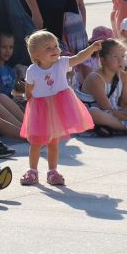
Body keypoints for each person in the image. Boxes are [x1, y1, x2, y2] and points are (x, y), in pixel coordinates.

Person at [18, 31, 100, 186]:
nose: (54, 50)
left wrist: (91, 49)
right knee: (36, 142)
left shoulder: (61, 63)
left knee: (53, 143)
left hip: (58, 107)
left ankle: (52, 171)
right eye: (48, 48)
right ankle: (32, 171)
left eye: (55, 46)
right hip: (41, 108)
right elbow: (29, 89)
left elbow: (78, 58)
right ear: (36, 56)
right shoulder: (32, 70)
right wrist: (30, 101)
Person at [78, 38, 127, 136]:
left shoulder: (123, 75)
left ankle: (109, 128)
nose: (121, 60)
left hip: (114, 113)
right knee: (93, 113)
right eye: (115, 56)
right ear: (103, 60)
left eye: (123, 56)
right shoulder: (95, 78)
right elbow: (107, 109)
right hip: (100, 113)